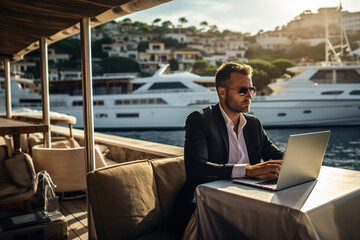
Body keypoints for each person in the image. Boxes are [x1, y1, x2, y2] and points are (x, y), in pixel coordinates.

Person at [169, 62, 284, 235]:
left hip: (246, 202)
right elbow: (196, 169)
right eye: (242, 91)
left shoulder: (253, 123)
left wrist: (298, 159)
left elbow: (274, 154)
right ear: (222, 92)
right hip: (203, 209)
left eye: (251, 90)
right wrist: (248, 170)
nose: (250, 96)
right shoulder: (200, 120)